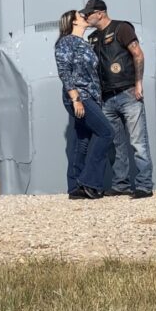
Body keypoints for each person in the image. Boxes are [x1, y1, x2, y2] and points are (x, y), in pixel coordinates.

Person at [80, 0, 154, 198]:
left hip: (128, 93)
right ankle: (121, 185)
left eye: (89, 13)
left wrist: (138, 83)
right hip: (106, 98)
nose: (86, 17)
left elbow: (138, 54)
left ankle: (144, 186)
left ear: (100, 13)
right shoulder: (93, 38)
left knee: (138, 143)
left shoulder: (122, 28)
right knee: (115, 144)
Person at [54, 10, 114, 200]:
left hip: (91, 97)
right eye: (81, 16)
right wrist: (75, 98)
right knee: (106, 132)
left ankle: (75, 187)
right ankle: (89, 181)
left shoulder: (85, 43)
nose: (85, 17)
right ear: (73, 22)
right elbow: (64, 70)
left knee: (83, 140)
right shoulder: (66, 42)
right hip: (80, 96)